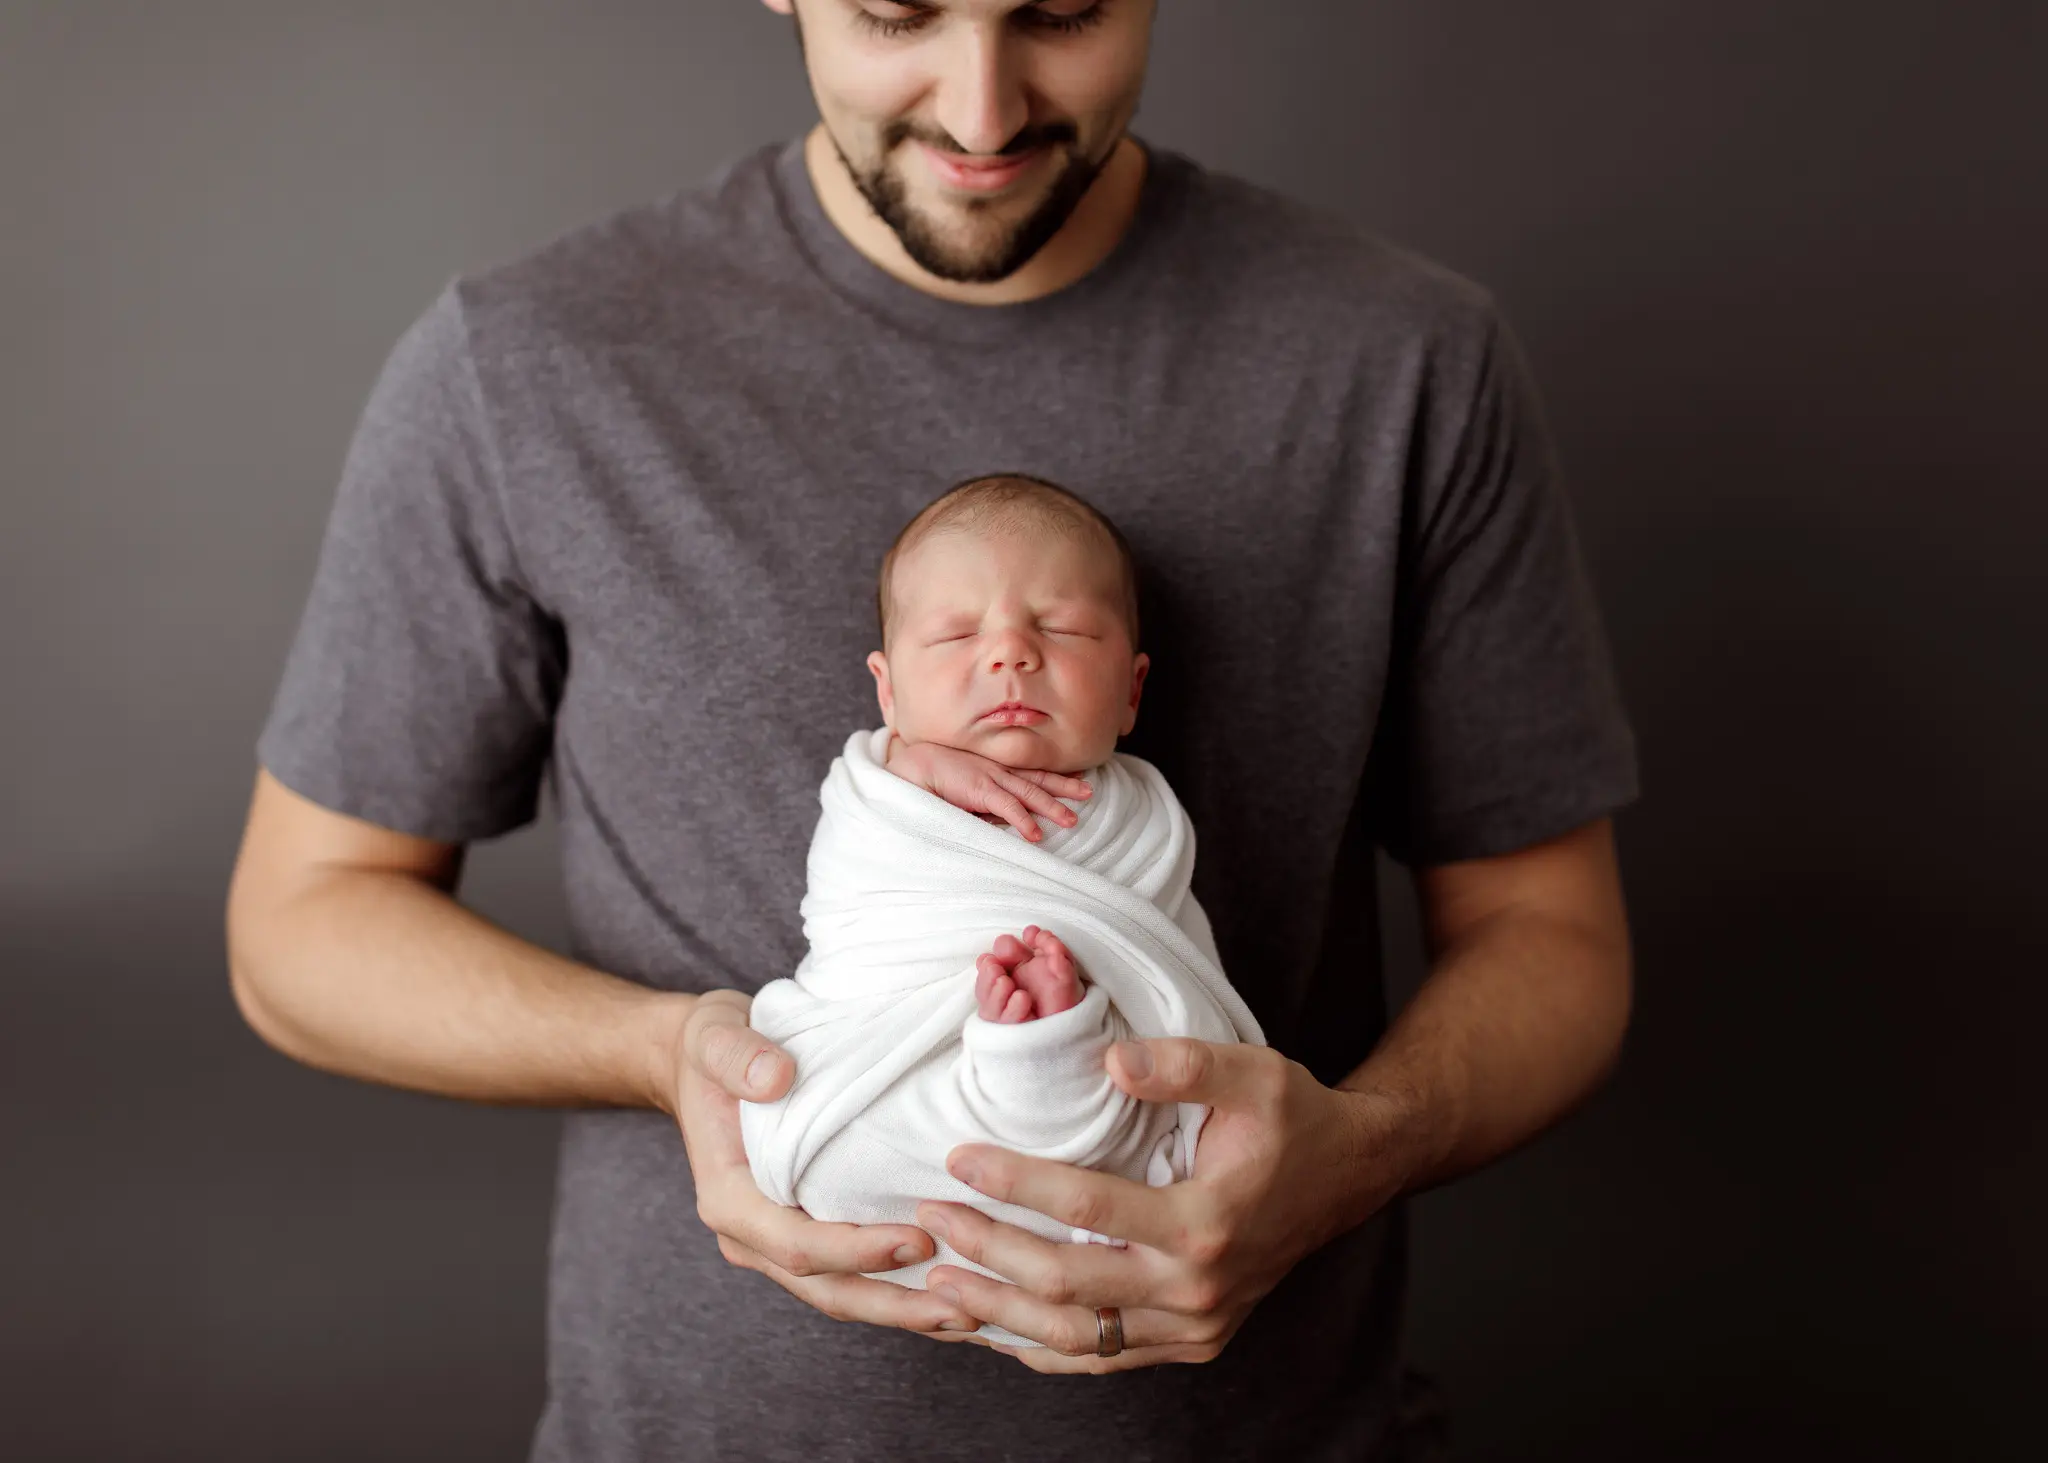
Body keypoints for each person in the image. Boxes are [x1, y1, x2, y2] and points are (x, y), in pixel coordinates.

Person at [225, 1, 1639, 1458]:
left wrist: (1362, 1151)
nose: (981, 109)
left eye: (1063, 12)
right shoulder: (522, 364)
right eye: (900, 10)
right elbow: (300, 928)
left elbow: (1557, 935)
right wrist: (669, 1048)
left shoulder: (1402, 358)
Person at [739, 476, 1265, 1348]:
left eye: (1062, 628)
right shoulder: (875, 795)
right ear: (888, 695)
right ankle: (1032, 1067)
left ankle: (1043, 1060)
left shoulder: (1143, 818)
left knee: (1182, 1148)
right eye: (954, 634)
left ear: (1133, 690)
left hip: (1113, 1148)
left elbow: (1172, 979)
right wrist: (905, 772)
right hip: (888, 1066)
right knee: (817, 1138)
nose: (1011, 654)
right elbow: (854, 898)